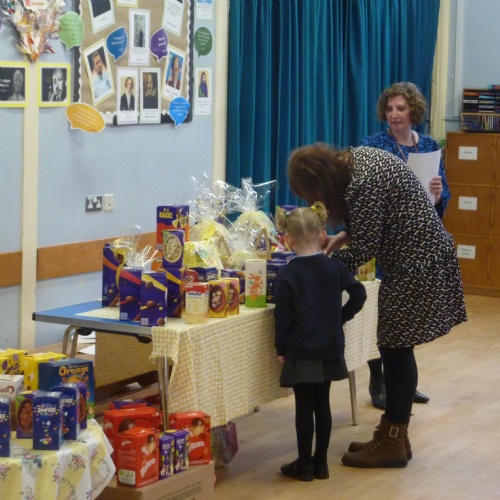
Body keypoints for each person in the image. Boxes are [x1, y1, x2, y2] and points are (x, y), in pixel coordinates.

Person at [287, 143, 467, 468]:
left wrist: (317, 268)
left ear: (321, 182)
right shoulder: (359, 161)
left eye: (313, 194)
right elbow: (372, 222)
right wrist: (342, 237)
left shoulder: (362, 181)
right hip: (417, 260)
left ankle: (392, 440)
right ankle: (394, 433)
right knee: (394, 348)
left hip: (417, 264)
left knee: (396, 350)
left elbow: (367, 245)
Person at [359, 81, 451, 410]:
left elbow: (444, 193)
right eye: (389, 109)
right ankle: (378, 380)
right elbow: (362, 193)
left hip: (416, 245)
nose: (394, 114)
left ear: (414, 111)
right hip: (385, 242)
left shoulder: (428, 145)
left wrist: (438, 193)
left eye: (401, 108)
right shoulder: (372, 145)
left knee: (407, 316)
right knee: (381, 316)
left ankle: (402, 383)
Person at [274, 202, 367, 481]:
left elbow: (283, 318)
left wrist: (281, 348)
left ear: (287, 239)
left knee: (304, 407)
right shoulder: (335, 267)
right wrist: (340, 317)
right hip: (329, 347)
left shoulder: (287, 274)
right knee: (322, 404)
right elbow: (359, 294)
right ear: (323, 235)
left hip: (302, 350)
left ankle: (304, 465)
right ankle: (321, 463)